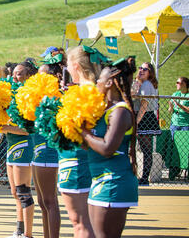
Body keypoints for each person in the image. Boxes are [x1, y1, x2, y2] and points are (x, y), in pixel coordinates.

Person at [82, 57, 139, 238]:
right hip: (100, 179)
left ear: (109, 82)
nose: (96, 82)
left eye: (99, 79)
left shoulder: (120, 111)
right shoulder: (105, 110)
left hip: (114, 181)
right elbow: (89, 146)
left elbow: (107, 148)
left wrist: (83, 132)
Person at [61, 45, 101, 238]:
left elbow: (77, 131)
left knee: (80, 223)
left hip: (76, 162)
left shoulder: (83, 93)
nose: (67, 70)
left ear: (75, 66)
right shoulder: (97, 90)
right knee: (86, 222)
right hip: (86, 162)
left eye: (68, 65)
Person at [2, 60, 38, 238]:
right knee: (15, 192)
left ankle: (28, 234)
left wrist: (5, 128)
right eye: (13, 73)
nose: (14, 76)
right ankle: (19, 229)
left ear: (29, 76)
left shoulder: (30, 97)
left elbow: (28, 129)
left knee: (23, 191)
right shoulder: (12, 95)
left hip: (23, 146)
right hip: (11, 145)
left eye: (19, 73)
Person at [34, 55, 64, 238]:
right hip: (37, 151)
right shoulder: (40, 98)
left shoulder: (58, 97)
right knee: (42, 201)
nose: (38, 79)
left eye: (42, 75)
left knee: (50, 201)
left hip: (48, 151)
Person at [131, 61, 159, 186]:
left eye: (145, 69)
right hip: (137, 116)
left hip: (144, 117)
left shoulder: (147, 84)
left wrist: (136, 123)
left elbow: (144, 104)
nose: (141, 70)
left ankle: (144, 178)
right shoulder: (139, 83)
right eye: (140, 68)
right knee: (135, 149)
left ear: (150, 73)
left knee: (146, 150)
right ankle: (136, 176)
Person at [168, 77, 189, 179]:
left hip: (186, 124)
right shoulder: (175, 94)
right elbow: (170, 106)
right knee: (173, 147)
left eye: (178, 82)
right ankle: (174, 170)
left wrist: (179, 105)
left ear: (184, 84)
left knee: (185, 148)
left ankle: (187, 170)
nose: (176, 84)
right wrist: (170, 106)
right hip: (175, 124)